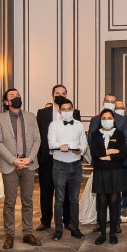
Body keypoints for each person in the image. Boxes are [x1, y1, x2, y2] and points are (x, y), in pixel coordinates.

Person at [0, 87, 40, 248]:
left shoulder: (31, 116)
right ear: (6, 102)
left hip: (29, 164)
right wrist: (13, 160)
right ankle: (9, 235)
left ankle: (27, 233)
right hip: (10, 165)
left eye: (18, 95)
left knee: (28, 201)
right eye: (12, 96)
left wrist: (30, 158)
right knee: (9, 202)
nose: (16, 97)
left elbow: (37, 139)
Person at [35, 83, 79, 231]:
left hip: (66, 159)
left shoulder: (75, 113)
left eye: (63, 94)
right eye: (57, 93)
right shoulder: (43, 113)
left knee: (66, 191)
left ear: (66, 95)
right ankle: (46, 221)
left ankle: (67, 221)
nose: (60, 96)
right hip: (47, 159)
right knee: (46, 191)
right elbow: (38, 135)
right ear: (52, 95)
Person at [45, 96, 87, 241]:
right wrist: (60, 146)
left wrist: (80, 149)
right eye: (64, 109)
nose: (67, 112)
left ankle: (75, 228)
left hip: (76, 165)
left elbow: (84, 143)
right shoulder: (54, 125)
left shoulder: (79, 125)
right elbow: (51, 143)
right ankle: (58, 230)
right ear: (59, 111)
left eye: (69, 109)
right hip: (60, 164)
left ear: (73, 109)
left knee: (74, 199)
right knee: (59, 199)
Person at [90, 109, 127, 245]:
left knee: (114, 203)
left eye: (109, 118)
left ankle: (112, 233)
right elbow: (95, 153)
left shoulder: (119, 134)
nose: (106, 120)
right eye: (104, 118)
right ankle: (102, 234)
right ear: (100, 120)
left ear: (113, 119)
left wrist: (107, 157)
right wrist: (111, 151)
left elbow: (122, 153)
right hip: (100, 172)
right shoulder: (95, 134)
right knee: (101, 203)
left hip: (116, 172)